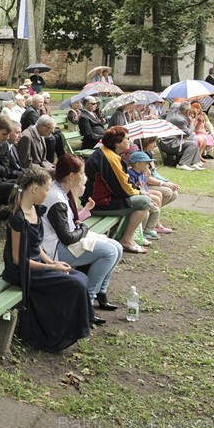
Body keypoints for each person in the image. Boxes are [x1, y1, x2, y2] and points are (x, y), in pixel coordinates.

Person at [3, 167, 93, 352]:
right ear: (35, 189)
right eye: (47, 190)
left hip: (37, 266)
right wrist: (51, 269)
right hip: (22, 271)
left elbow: (38, 248)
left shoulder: (36, 210)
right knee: (74, 284)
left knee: (82, 278)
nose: (48, 194)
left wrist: (52, 263)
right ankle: (56, 334)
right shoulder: (18, 218)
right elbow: (18, 260)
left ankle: (68, 327)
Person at [42, 155, 122, 320]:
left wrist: (81, 225)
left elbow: (70, 225)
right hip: (54, 250)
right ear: (71, 176)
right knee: (109, 252)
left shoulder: (61, 191)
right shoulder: (56, 197)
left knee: (117, 247)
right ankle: (88, 301)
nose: (84, 176)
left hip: (64, 243)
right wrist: (83, 229)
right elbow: (67, 237)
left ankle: (101, 292)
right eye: (81, 173)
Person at [82, 126, 151, 254]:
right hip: (99, 203)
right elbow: (121, 189)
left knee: (144, 203)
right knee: (144, 202)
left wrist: (136, 189)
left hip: (102, 199)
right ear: (117, 143)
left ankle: (131, 237)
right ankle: (126, 240)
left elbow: (123, 183)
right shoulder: (109, 158)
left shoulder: (108, 153)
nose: (129, 141)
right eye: (127, 139)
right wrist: (139, 192)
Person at [127, 151, 163, 242]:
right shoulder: (131, 174)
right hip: (138, 197)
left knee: (156, 209)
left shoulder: (142, 173)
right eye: (146, 163)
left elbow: (144, 187)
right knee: (150, 210)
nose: (148, 165)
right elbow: (134, 189)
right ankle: (142, 232)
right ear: (138, 164)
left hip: (144, 196)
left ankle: (148, 230)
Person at [161, 101, 204, 171]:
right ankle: (183, 164)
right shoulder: (179, 119)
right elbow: (188, 133)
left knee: (194, 140)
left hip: (169, 140)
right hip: (170, 143)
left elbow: (161, 117)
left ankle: (194, 163)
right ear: (187, 111)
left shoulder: (172, 115)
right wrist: (192, 124)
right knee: (192, 144)